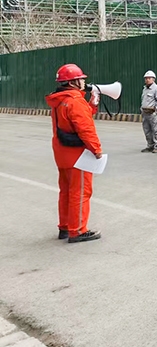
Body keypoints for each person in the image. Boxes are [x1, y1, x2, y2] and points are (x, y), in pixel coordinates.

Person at [46, 64, 103, 243]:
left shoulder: (60, 100)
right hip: (77, 155)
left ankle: (65, 227)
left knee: (66, 191)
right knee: (80, 192)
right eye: (81, 79)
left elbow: (75, 118)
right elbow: (85, 128)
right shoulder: (75, 101)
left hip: (62, 153)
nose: (84, 82)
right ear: (72, 82)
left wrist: (92, 104)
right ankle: (77, 230)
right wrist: (96, 150)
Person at [140, 70, 157, 153]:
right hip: (145, 113)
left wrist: (156, 109)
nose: (147, 80)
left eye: (149, 78)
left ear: (153, 79)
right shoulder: (145, 89)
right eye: (146, 78)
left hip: (153, 113)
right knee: (147, 130)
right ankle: (150, 145)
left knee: (156, 130)